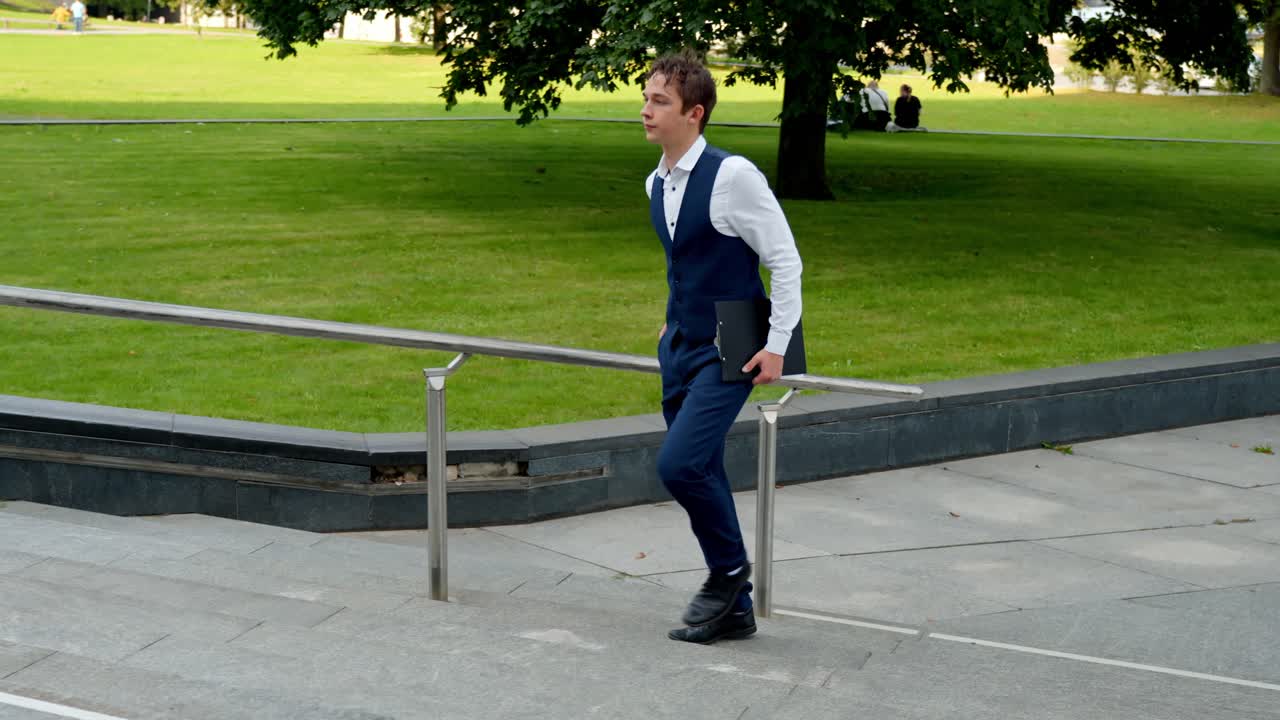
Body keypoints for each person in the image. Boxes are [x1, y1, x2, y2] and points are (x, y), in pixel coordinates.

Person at [641, 51, 803, 644]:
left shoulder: (734, 176)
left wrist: (778, 345)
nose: (646, 111)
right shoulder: (656, 181)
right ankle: (734, 609)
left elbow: (784, 260)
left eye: (660, 101)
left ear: (695, 112)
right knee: (699, 465)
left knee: (679, 465)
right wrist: (669, 322)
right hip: (679, 346)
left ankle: (729, 575)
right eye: (646, 98)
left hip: (731, 347)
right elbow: (682, 264)